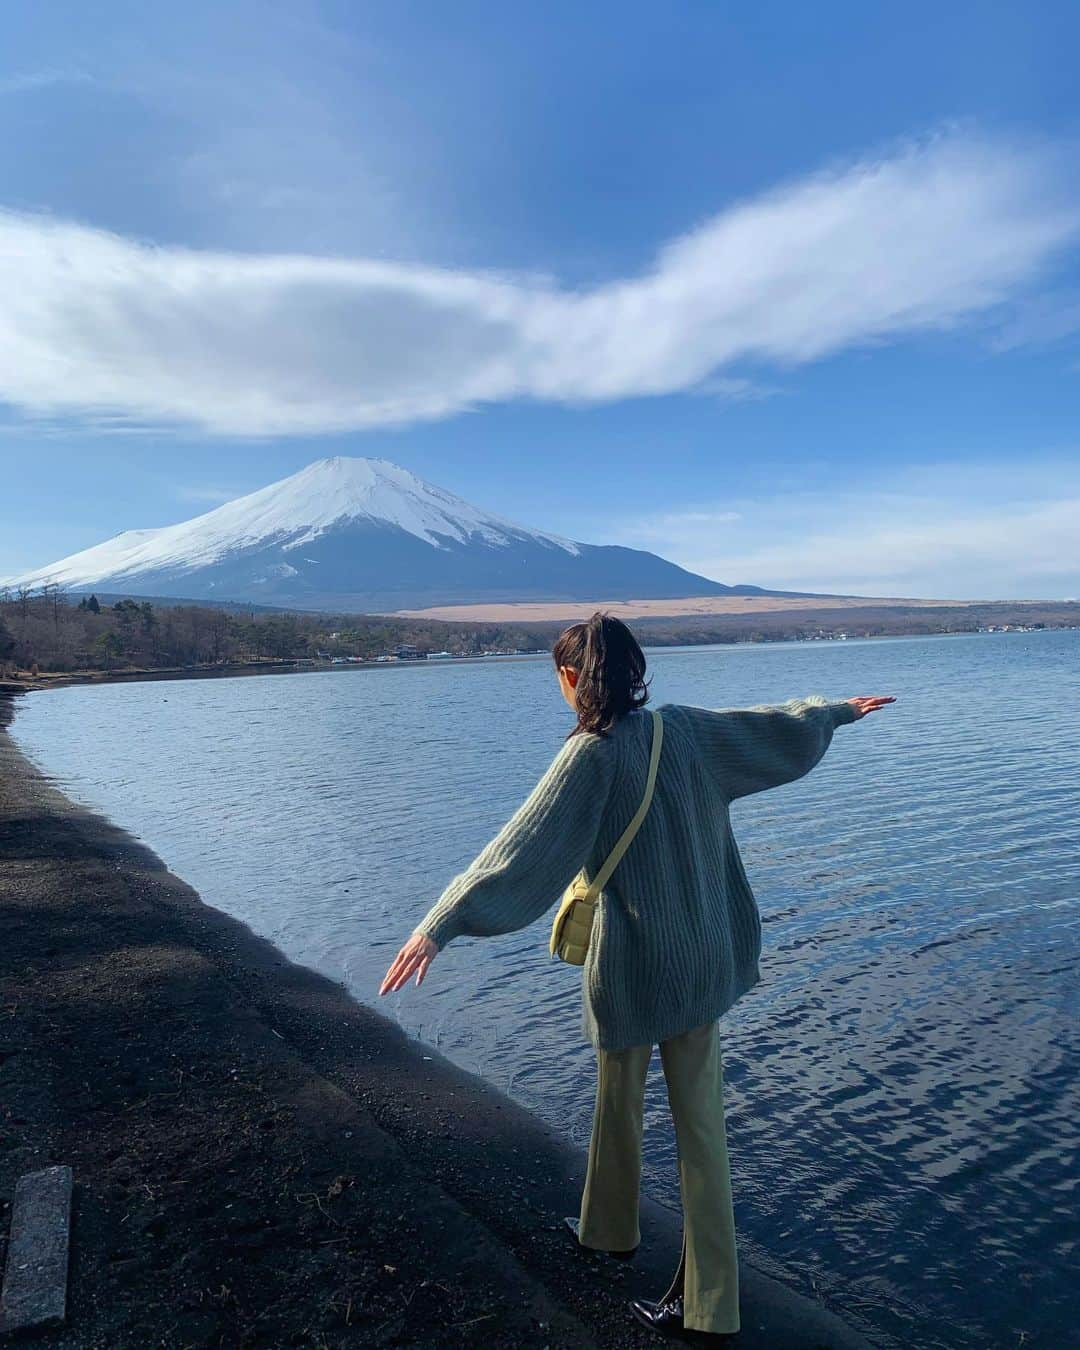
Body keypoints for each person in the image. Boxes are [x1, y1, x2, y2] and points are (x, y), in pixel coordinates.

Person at [380, 611, 895, 1339]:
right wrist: (837, 712)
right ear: (634, 669)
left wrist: (440, 923)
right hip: (705, 955)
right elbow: (773, 727)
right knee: (702, 1132)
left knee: (618, 1097)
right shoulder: (683, 730)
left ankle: (620, 1242)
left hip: (634, 965)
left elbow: (518, 853)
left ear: (569, 678)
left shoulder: (588, 756)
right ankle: (694, 1290)